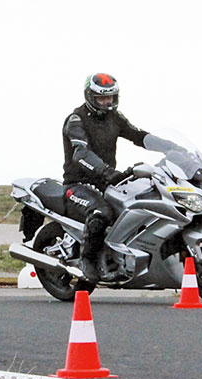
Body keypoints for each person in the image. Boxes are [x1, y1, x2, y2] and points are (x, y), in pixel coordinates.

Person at [62, 73, 149, 282]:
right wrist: (108, 173)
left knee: (136, 207)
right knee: (101, 213)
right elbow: (80, 153)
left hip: (107, 183)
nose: (106, 102)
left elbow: (137, 135)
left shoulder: (115, 118)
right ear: (90, 97)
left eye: (110, 97)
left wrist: (170, 148)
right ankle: (87, 261)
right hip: (78, 184)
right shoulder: (76, 120)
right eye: (102, 98)